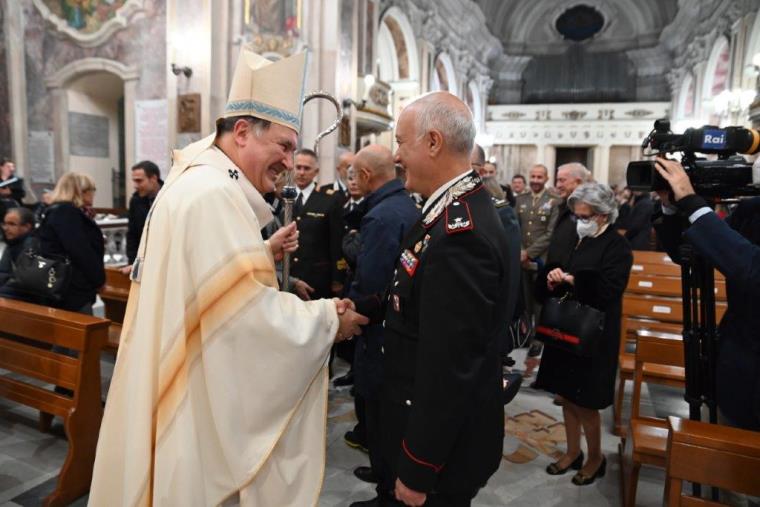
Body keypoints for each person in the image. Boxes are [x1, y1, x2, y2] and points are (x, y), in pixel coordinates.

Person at [89, 48, 368, 506]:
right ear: (242, 132)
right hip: (193, 392)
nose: (287, 159)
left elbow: (196, 279)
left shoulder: (196, 180)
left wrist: (260, 251)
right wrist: (327, 321)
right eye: (282, 145)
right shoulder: (215, 193)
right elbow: (241, 319)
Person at [369, 92, 516, 507]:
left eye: (401, 142)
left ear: (432, 142)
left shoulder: (460, 234)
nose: (396, 156)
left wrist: (418, 468)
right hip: (432, 428)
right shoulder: (450, 210)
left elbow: (449, 367)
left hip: (440, 451)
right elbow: (418, 299)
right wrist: (364, 311)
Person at [534, 182, 632, 485]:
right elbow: (558, 270)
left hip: (594, 335)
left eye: (586, 216)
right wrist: (552, 278)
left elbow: (609, 290)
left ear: (603, 215)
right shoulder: (577, 239)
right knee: (566, 394)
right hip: (566, 329)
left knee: (586, 402)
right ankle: (573, 452)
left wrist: (576, 281)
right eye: (577, 216)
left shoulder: (617, 247)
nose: (580, 222)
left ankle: (594, 458)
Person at [653, 158, 760, 431]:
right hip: (736, 365)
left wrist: (692, 201)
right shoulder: (753, 209)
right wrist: (671, 205)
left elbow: (751, 269)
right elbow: (693, 253)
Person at [346, 145, 420, 502]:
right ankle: (384, 473)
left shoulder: (382, 216)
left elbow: (372, 281)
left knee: (379, 413)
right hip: (400, 328)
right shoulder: (405, 205)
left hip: (379, 330)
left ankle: (386, 490)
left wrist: (350, 312)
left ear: (364, 176)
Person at [31, 172, 105, 314]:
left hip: (64, 284)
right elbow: (81, 252)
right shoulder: (67, 213)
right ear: (81, 191)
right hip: (71, 288)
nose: (93, 194)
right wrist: (99, 280)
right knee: (81, 329)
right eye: (92, 190)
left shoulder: (60, 211)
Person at [515, 163, 559, 376]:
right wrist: (521, 251)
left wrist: (530, 252)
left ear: (546, 178)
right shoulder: (521, 199)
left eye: (539, 176)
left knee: (540, 302)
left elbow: (550, 234)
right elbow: (515, 226)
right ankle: (526, 335)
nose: (535, 180)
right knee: (525, 300)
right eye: (532, 176)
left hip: (541, 260)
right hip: (521, 259)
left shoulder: (553, 201)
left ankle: (539, 338)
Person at [289, 148, 348, 298]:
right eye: (298, 167)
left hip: (317, 278)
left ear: (316, 171)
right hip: (289, 276)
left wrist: (338, 278)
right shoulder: (284, 198)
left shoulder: (330, 200)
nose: (301, 172)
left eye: (307, 168)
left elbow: (336, 242)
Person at [125, 160, 163, 266]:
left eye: (139, 181)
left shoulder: (170, 196)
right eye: (134, 181)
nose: (135, 186)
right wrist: (133, 263)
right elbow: (132, 234)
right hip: (143, 262)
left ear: (154, 179)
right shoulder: (135, 200)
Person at [0, 208, 36, 286]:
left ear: (27, 226)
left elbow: (24, 280)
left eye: (12, 224)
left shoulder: (31, 245)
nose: (5, 228)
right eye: (4, 224)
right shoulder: (13, 243)